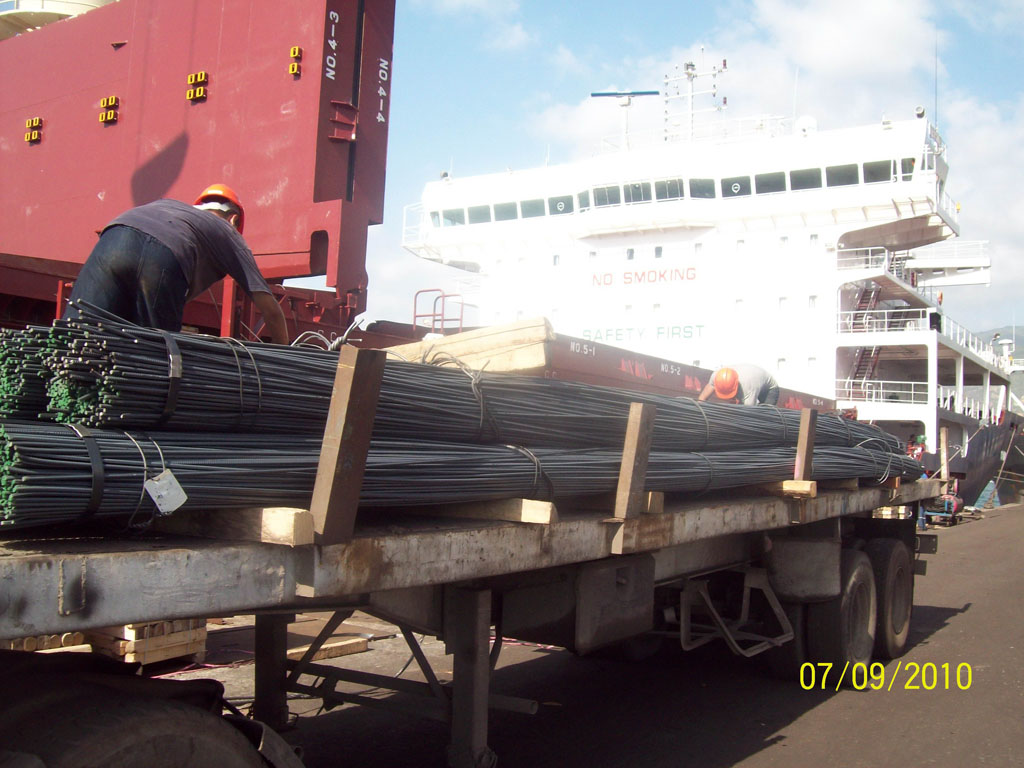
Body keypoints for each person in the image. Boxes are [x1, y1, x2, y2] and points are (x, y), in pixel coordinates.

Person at [66, 184, 289, 344]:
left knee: (74, 336)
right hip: (161, 252)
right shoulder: (229, 233)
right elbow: (271, 310)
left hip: (113, 237)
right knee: (153, 355)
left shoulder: (168, 207)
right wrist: (285, 358)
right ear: (234, 219)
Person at [698, 363, 780, 405]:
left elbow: (748, 413)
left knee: (763, 416)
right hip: (752, 381)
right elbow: (702, 398)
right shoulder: (717, 376)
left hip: (769, 389)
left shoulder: (747, 387)